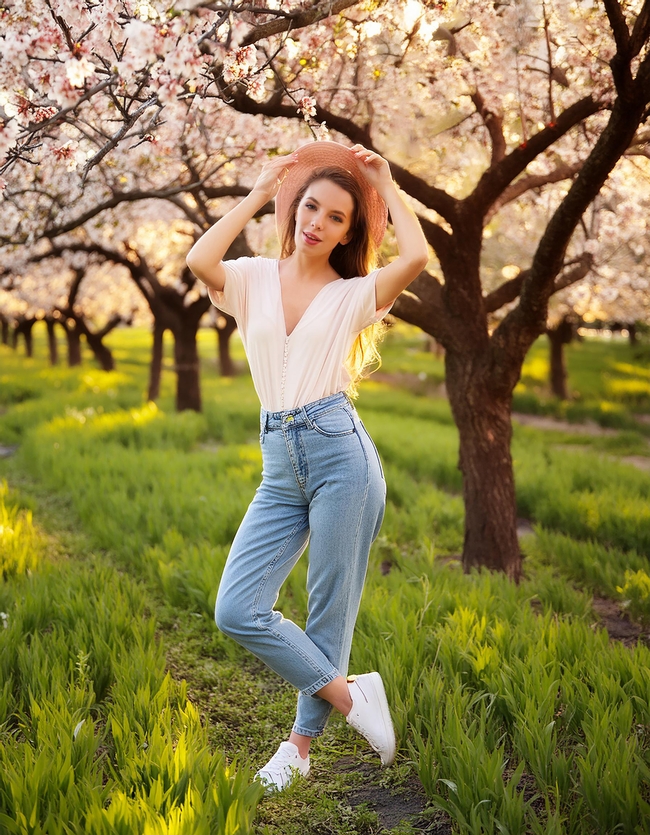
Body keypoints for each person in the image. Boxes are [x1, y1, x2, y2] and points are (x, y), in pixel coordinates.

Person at [186, 141, 428, 792]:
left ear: (350, 232)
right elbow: (197, 258)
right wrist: (260, 192)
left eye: (336, 217)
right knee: (236, 608)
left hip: (338, 450)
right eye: (310, 206)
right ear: (294, 209)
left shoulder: (353, 295)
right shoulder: (251, 278)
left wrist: (385, 183)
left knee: (328, 610)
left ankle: (298, 747)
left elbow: (416, 256)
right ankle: (352, 697)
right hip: (278, 459)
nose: (316, 222)